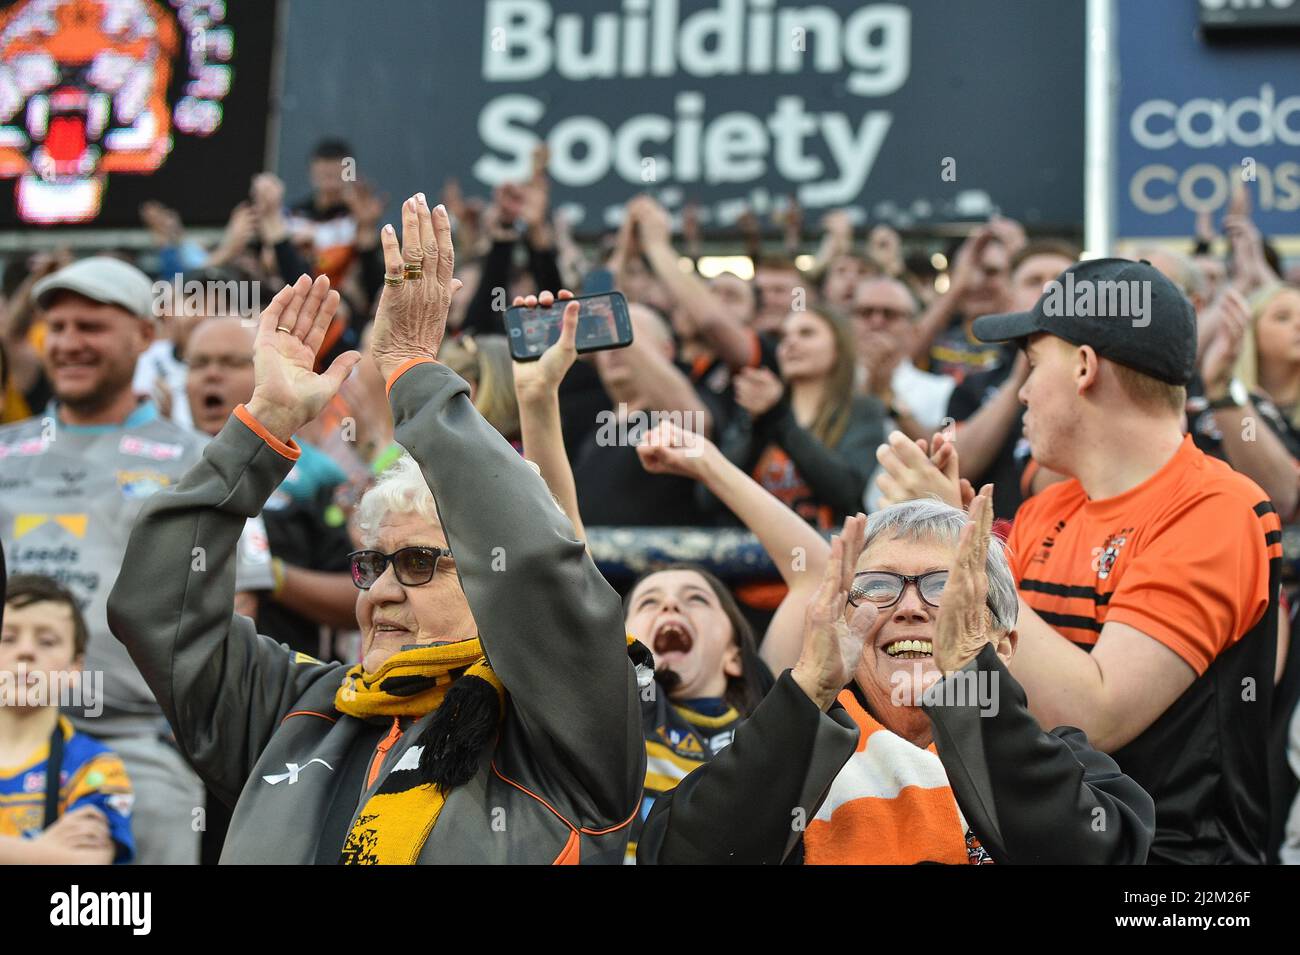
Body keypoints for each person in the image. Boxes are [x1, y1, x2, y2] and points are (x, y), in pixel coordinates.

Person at [106, 195, 646, 863]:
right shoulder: (298, 709)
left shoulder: (566, 721)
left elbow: (542, 563)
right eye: (373, 563)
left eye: (419, 561)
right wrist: (265, 423)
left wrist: (413, 372)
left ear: (493, 580)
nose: (380, 591)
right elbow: (156, 608)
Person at [882, 257, 1282, 863]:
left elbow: (1094, 715)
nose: (1020, 391)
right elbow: (993, 678)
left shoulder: (1218, 508)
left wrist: (965, 549)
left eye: (1034, 364)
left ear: (1085, 368)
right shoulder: (1050, 506)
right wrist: (956, 547)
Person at [638, 491, 1155, 864]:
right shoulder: (792, 750)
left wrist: (974, 688)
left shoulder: (1074, 769)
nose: (909, 607)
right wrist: (808, 691)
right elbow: (683, 855)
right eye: (879, 587)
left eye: (945, 587)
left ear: (1002, 645)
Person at [0, 256, 272, 865]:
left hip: (140, 740)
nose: (69, 343)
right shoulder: (5, 452)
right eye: (58, 327)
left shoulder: (200, 462)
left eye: (91, 326)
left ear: (145, 336)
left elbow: (240, 606)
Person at [184, 316, 359, 656]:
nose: (211, 374)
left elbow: (359, 597)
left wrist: (271, 576)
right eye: (199, 363)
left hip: (288, 689)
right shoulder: (155, 467)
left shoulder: (315, 474)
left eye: (233, 363)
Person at [711, 306, 887, 532]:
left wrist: (778, 416)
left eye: (807, 333)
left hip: (827, 556)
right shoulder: (757, 410)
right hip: (751, 559)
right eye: (784, 338)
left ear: (838, 348)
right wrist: (758, 424)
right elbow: (712, 498)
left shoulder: (863, 410)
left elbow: (845, 490)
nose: (790, 344)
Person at [0, 573, 134, 864]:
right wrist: (43, 853)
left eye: (47, 641)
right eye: (7, 638)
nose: (25, 652)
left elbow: (88, 861)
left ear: (75, 668)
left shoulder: (95, 766)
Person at [851, 275, 954, 437]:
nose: (877, 321)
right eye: (865, 312)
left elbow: (946, 450)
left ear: (913, 328)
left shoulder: (944, 390)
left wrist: (887, 397)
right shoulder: (824, 381)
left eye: (890, 314)